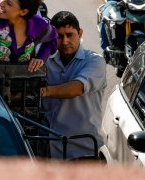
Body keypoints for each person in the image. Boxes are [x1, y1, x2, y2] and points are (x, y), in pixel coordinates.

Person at [41, 12, 107, 159]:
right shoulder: (44, 61)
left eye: (70, 35)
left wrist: (42, 91)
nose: (64, 42)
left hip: (84, 151)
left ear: (80, 33)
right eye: (59, 36)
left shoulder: (95, 62)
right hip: (47, 149)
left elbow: (76, 88)